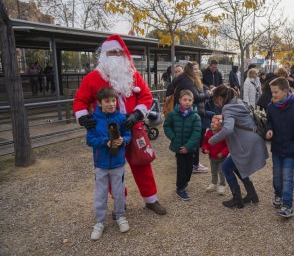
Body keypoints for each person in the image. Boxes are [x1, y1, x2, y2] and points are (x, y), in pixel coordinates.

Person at [73, 34, 166, 215]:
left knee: (142, 163)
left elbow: (145, 96)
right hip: (108, 130)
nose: (116, 55)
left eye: (119, 52)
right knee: (111, 169)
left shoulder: (133, 74)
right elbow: (80, 100)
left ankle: (151, 199)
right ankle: (119, 204)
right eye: (112, 52)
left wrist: (138, 113)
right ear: (104, 55)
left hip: (133, 126)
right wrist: (83, 117)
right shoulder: (92, 78)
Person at [209, 85, 268, 209]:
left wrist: (213, 139)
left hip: (247, 144)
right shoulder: (238, 102)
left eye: (216, 101)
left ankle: (237, 199)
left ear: (220, 98)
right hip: (253, 140)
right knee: (237, 166)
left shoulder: (228, 108)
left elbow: (228, 129)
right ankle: (252, 195)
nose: (217, 104)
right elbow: (238, 122)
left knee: (226, 167)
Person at [86, 87, 132, 240]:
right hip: (101, 164)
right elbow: (90, 140)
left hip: (118, 163)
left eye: (113, 100)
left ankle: (120, 216)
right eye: (107, 101)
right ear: (99, 103)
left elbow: (128, 135)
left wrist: (123, 140)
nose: (111, 104)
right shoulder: (93, 119)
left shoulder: (121, 118)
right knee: (100, 194)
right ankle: (99, 222)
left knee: (119, 192)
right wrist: (104, 142)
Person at [265, 77, 294, 217]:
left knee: (287, 176)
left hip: (291, 147)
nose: (273, 95)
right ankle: (278, 195)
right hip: (277, 146)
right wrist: (269, 130)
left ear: (285, 91)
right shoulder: (271, 107)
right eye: (272, 92)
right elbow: (269, 122)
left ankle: (287, 204)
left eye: (276, 92)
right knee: (277, 175)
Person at [163, 89, 201, 200]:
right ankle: (180, 188)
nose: (187, 102)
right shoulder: (173, 114)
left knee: (189, 168)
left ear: (193, 101)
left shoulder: (195, 116)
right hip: (178, 146)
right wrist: (173, 137)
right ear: (180, 100)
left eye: (190, 100)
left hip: (189, 148)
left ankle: (184, 182)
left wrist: (188, 146)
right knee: (181, 167)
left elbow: (196, 133)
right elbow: (167, 126)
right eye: (185, 99)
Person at [173, 61, 210, 173]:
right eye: (195, 69)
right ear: (190, 70)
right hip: (189, 112)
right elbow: (197, 97)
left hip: (185, 112)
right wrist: (207, 94)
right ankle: (194, 164)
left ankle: (189, 163)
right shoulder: (187, 80)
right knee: (195, 137)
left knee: (189, 137)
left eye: (197, 69)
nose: (197, 71)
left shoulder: (186, 78)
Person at [201, 115, 229, 195]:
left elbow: (228, 146)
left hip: (222, 158)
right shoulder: (209, 133)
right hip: (212, 157)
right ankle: (213, 183)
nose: (212, 124)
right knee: (213, 171)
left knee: (221, 171)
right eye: (211, 122)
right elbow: (205, 143)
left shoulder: (223, 134)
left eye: (214, 123)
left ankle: (222, 185)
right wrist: (205, 149)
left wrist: (223, 153)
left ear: (220, 125)